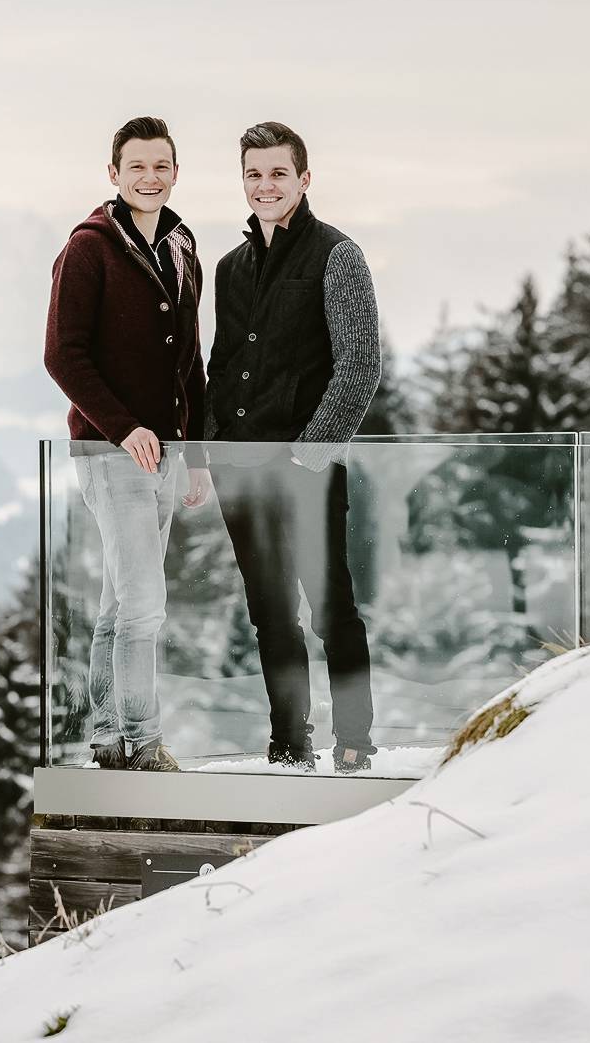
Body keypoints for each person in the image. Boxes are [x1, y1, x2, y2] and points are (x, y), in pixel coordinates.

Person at [206, 122, 380, 774]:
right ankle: (289, 745)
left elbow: (359, 364)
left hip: (309, 467)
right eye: (254, 174)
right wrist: (213, 450)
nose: (265, 185)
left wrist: (312, 452)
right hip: (241, 472)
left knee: (331, 605)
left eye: (278, 173)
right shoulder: (232, 269)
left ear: (304, 179)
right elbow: (219, 369)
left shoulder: (338, 256)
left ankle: (355, 740)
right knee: (271, 614)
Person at [44, 116, 209, 773]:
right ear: (114, 174)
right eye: (137, 166)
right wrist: (125, 428)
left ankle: (108, 740)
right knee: (144, 602)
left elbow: (190, 361)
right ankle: (143, 746)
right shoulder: (89, 248)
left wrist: (194, 453)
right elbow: (63, 355)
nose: (150, 177)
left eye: (161, 165)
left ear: (175, 172)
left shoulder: (181, 245)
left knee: (121, 603)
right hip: (112, 454)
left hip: (167, 454)